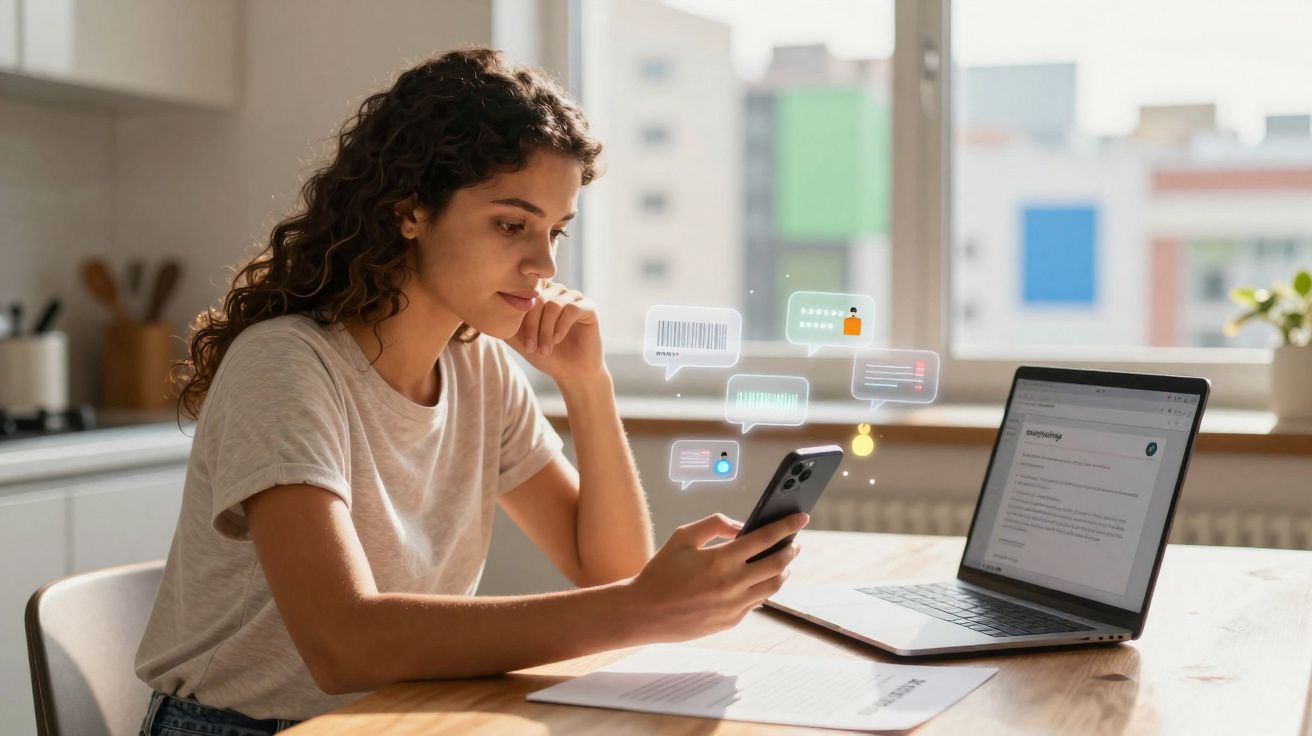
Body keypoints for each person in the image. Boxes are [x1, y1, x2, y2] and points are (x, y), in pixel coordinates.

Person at [133, 48, 807, 734]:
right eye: (512, 224)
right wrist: (641, 608)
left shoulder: (477, 367)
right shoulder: (285, 366)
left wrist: (587, 386)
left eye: (555, 231)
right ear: (410, 211)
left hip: (396, 717)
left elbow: (611, 572)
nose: (544, 264)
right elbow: (342, 645)